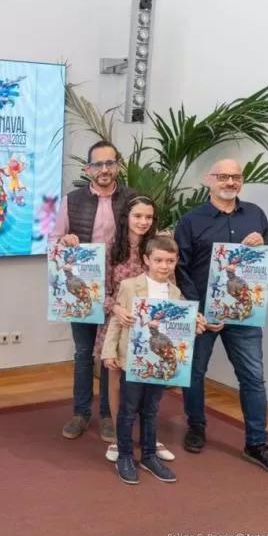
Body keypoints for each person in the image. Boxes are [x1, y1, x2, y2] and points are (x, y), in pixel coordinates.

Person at [175, 159, 268, 478]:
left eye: (236, 177)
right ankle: (196, 426)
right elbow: (180, 267)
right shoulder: (191, 220)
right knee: (194, 373)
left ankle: (257, 443)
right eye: (223, 177)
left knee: (253, 377)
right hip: (202, 313)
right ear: (209, 180)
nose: (230, 182)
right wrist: (196, 310)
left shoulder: (255, 214)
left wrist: (263, 245)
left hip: (244, 313)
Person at [50, 140, 138, 442]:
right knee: (84, 353)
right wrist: (65, 242)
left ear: (118, 166)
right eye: (98, 164)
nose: (104, 169)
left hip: (120, 290)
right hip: (83, 290)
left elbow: (143, 235)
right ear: (88, 169)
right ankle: (80, 412)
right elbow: (54, 241)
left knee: (111, 355)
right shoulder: (72, 200)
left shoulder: (132, 199)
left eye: (109, 163)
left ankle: (108, 415)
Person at [101, 236, 206, 484]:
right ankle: (125, 456)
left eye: (170, 261)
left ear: (176, 261)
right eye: (158, 260)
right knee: (128, 409)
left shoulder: (175, 292)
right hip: (134, 360)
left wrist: (196, 324)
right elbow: (116, 321)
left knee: (151, 409)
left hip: (159, 364)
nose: (164, 266)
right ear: (146, 260)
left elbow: (180, 327)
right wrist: (109, 351)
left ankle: (149, 455)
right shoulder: (130, 286)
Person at [93, 196, 174, 463]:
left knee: (150, 384)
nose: (143, 221)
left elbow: (171, 287)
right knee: (117, 383)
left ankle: (149, 437)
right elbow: (99, 291)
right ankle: (120, 439)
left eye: (148, 217)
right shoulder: (110, 248)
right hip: (120, 324)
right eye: (138, 216)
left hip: (152, 331)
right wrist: (116, 308)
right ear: (126, 217)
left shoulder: (158, 248)